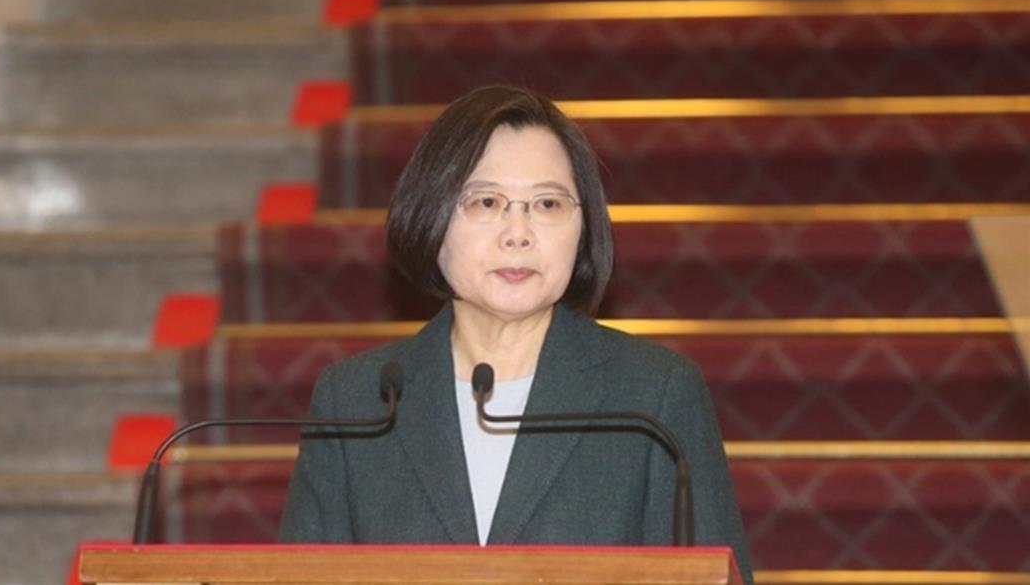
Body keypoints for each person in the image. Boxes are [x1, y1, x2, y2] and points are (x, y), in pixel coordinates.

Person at [279, 86, 753, 581]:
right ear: (431, 217)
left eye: (547, 204)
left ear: (583, 228)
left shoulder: (654, 396)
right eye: (487, 202)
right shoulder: (356, 400)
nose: (518, 233)